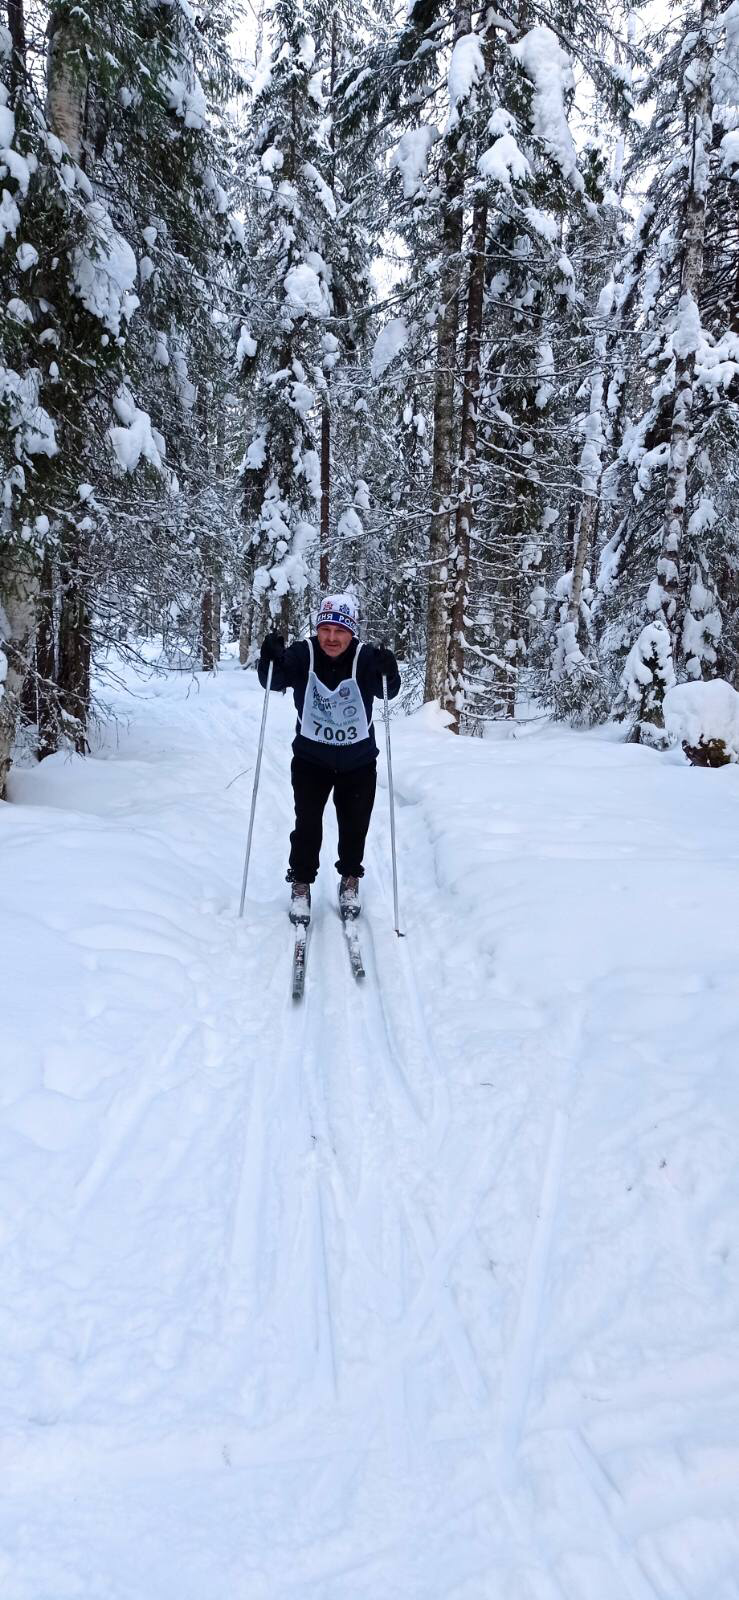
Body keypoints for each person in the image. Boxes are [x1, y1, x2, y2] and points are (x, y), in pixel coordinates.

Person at [258, 594, 400, 924]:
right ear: (317, 629)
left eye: (340, 630)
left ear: (352, 632)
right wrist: (270, 659)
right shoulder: (303, 654)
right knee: (307, 823)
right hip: (311, 759)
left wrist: (389, 671)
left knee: (355, 825)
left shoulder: (365, 658)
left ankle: (350, 879)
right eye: (325, 629)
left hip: (358, 761)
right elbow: (273, 681)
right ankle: (301, 883)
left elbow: (387, 692)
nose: (332, 638)